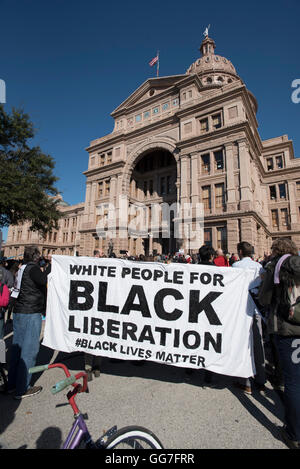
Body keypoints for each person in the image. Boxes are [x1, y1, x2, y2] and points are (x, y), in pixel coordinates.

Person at [258, 238, 300, 449]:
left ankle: (293, 434)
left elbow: (264, 299)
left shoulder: (275, 266)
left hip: (287, 328)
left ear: (276, 250)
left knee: (293, 382)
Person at [7, 246, 49, 399]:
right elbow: (44, 281)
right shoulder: (33, 269)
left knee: (17, 349)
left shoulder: (22, 268)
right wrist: (51, 267)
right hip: (30, 312)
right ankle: (22, 388)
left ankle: (11, 384)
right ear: (36, 257)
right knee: (29, 351)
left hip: (19, 311)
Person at [232, 242, 266, 395]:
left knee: (242, 345)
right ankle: (261, 379)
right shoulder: (259, 267)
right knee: (258, 343)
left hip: (241, 310)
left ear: (240, 252)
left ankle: (245, 382)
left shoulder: (236, 266)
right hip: (257, 310)